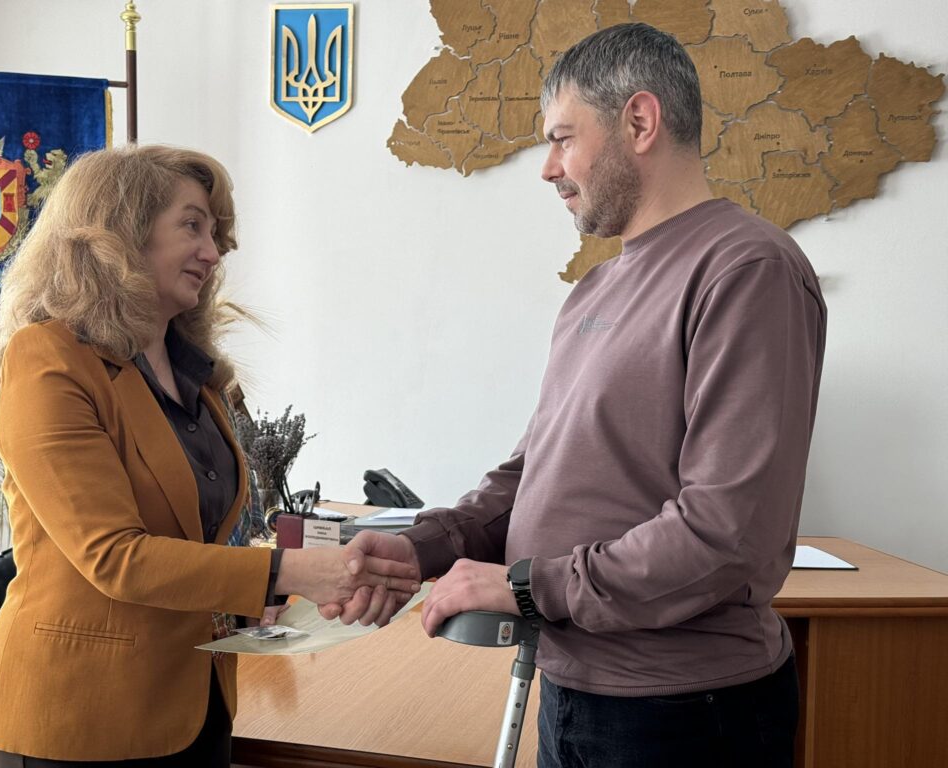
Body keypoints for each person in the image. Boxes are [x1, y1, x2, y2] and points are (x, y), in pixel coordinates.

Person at [327, 23, 827, 768]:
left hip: (684, 713)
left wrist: (528, 588)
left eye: (563, 138)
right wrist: (420, 547)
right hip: (572, 689)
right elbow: (534, 475)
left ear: (640, 121)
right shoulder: (595, 286)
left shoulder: (746, 269)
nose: (549, 168)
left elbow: (726, 531)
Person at [0, 144, 420, 767]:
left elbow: (205, 533)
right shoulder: (48, 358)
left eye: (215, 234)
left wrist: (257, 596)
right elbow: (114, 556)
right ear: (120, 233)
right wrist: (288, 572)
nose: (213, 253)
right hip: (81, 719)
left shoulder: (200, 375)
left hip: (200, 703)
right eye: (192, 226)